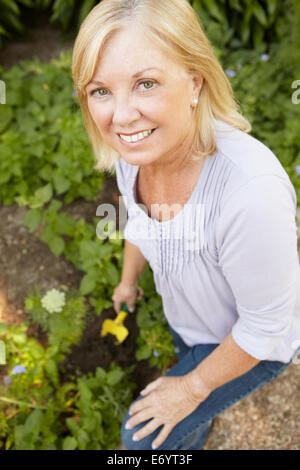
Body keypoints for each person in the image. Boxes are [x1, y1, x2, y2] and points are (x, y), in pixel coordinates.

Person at [72, 0, 300, 450]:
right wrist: (127, 280)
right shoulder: (133, 156)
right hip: (189, 322)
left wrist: (191, 388)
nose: (120, 117)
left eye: (145, 84)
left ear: (194, 81)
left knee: (140, 441)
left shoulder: (250, 193)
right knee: (185, 410)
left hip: (255, 346)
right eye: (101, 91)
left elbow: (263, 328)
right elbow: (138, 223)